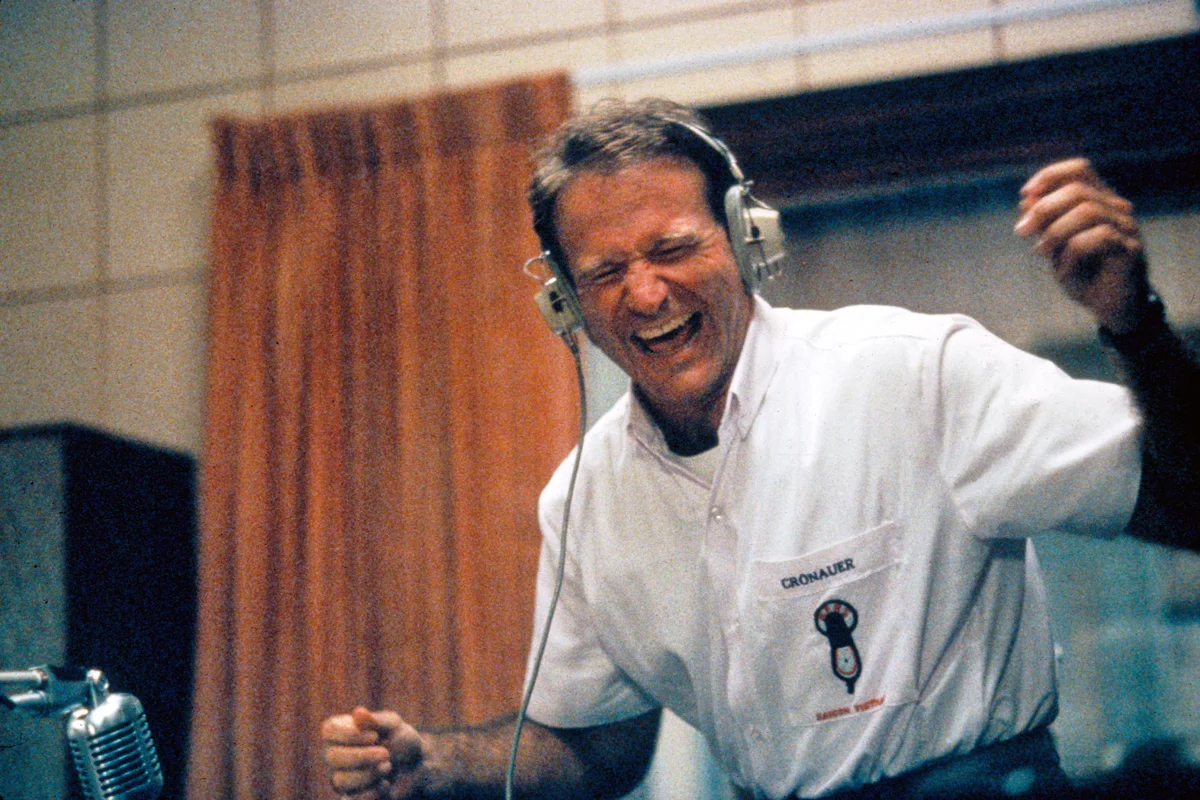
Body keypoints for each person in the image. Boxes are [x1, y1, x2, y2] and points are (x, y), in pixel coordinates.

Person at [321, 98, 1199, 800]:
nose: (646, 294)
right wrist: (436, 763)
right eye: (604, 272)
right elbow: (598, 750)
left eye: (672, 248)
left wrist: (1135, 325)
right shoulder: (585, 499)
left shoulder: (913, 372)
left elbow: (1189, 503)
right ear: (565, 303)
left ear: (748, 239)